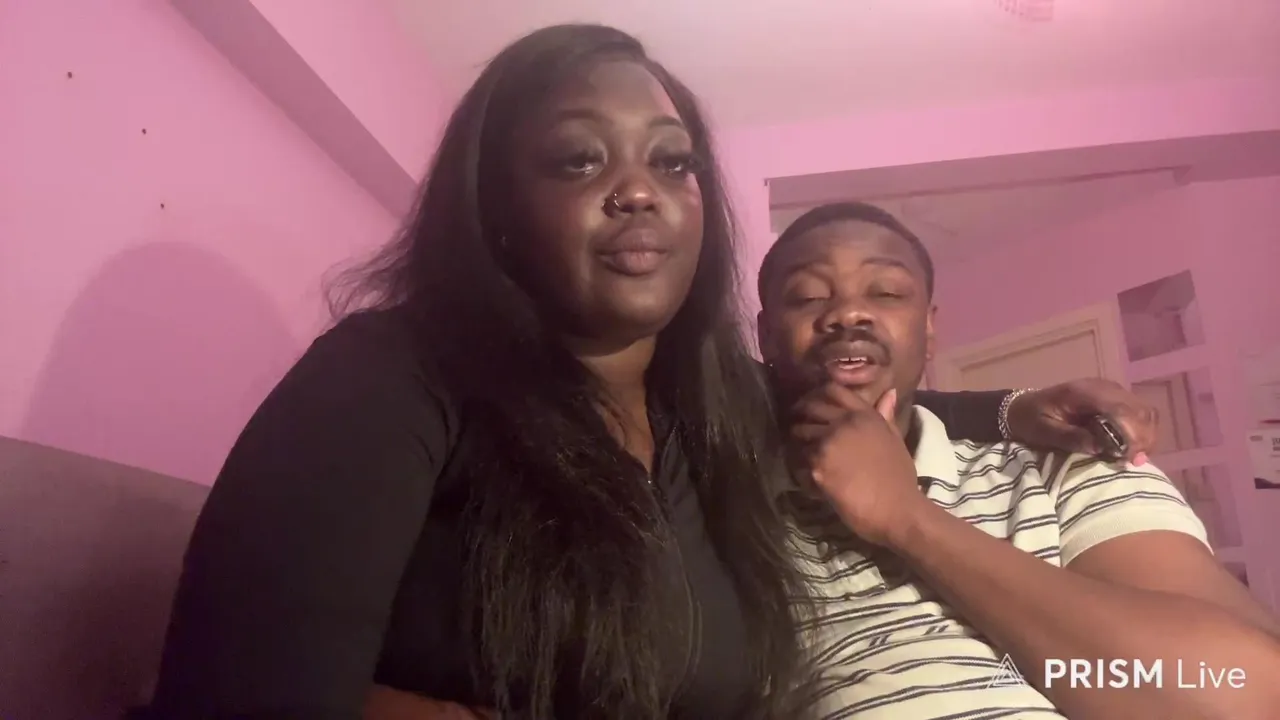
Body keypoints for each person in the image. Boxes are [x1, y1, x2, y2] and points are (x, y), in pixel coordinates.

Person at [142, 26, 1158, 720]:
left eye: (671, 163)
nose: (639, 192)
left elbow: (856, 392)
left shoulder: (719, 402)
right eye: (579, 161)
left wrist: (1013, 407)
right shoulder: (387, 377)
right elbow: (239, 697)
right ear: (496, 207)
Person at [757, 201, 1280, 719]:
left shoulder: (1067, 467)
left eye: (887, 292)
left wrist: (907, 517)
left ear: (929, 330)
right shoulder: (736, 519)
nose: (848, 313)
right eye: (807, 297)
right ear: (765, 338)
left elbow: (1246, 694)